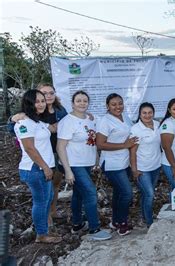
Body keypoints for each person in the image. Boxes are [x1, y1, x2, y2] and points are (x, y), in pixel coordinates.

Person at [56, 91, 112, 240]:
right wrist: (68, 171)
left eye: (85, 101)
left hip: (86, 163)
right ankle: (94, 229)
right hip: (73, 164)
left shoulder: (90, 118)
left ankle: (77, 224)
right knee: (90, 193)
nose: (82, 103)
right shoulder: (67, 121)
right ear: (73, 103)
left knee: (79, 194)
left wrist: (96, 159)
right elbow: (60, 147)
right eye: (78, 101)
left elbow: (92, 141)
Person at [10, 83, 68, 221]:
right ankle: (44, 223)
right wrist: (13, 118)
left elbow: (59, 126)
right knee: (42, 196)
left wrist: (82, 115)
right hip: (38, 160)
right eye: (43, 94)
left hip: (56, 153)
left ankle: (52, 213)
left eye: (51, 93)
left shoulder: (59, 110)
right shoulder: (27, 116)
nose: (47, 97)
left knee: (54, 186)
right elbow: (17, 132)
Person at [14, 90, 61, 243]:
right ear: (29, 103)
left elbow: (54, 128)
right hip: (35, 168)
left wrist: (79, 116)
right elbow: (29, 148)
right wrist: (45, 168)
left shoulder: (38, 122)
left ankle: (43, 229)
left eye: (42, 101)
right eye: (37, 101)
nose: (40, 104)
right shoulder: (24, 123)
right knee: (41, 201)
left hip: (43, 167)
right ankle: (41, 234)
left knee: (48, 199)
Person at [96, 93, 137, 236]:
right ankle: (122, 223)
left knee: (119, 193)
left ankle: (115, 221)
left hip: (124, 161)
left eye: (120, 103)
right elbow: (100, 144)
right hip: (112, 164)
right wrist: (124, 145)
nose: (118, 107)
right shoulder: (105, 121)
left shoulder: (125, 117)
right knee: (127, 193)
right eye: (114, 104)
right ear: (107, 106)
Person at [130, 102, 162, 227]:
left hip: (156, 166)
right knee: (149, 193)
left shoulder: (158, 125)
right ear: (140, 114)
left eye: (150, 113)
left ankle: (144, 216)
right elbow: (132, 151)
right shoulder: (136, 129)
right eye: (144, 113)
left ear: (153, 113)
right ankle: (149, 222)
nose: (147, 115)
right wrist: (134, 170)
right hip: (142, 169)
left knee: (146, 193)